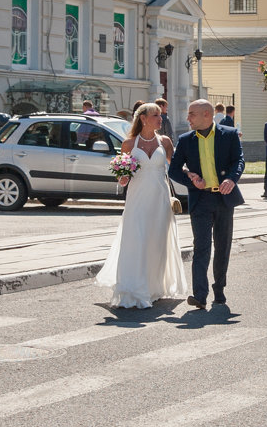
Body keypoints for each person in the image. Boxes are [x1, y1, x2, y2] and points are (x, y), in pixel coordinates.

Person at [95, 103, 187, 309]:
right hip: (138, 198)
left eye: (160, 115)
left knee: (156, 241)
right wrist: (122, 177)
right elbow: (124, 173)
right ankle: (135, 286)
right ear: (143, 118)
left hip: (160, 198)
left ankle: (154, 286)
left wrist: (191, 175)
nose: (160, 118)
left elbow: (175, 168)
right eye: (156, 115)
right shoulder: (129, 144)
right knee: (136, 238)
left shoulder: (165, 141)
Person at [168, 99, 245, 310]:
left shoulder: (228, 134)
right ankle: (199, 295)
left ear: (207, 115)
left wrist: (231, 178)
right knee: (201, 247)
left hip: (223, 198)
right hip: (200, 200)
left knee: (222, 247)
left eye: (192, 114)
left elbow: (239, 160)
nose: (188, 118)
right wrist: (190, 177)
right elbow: (173, 170)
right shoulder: (185, 140)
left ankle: (219, 290)